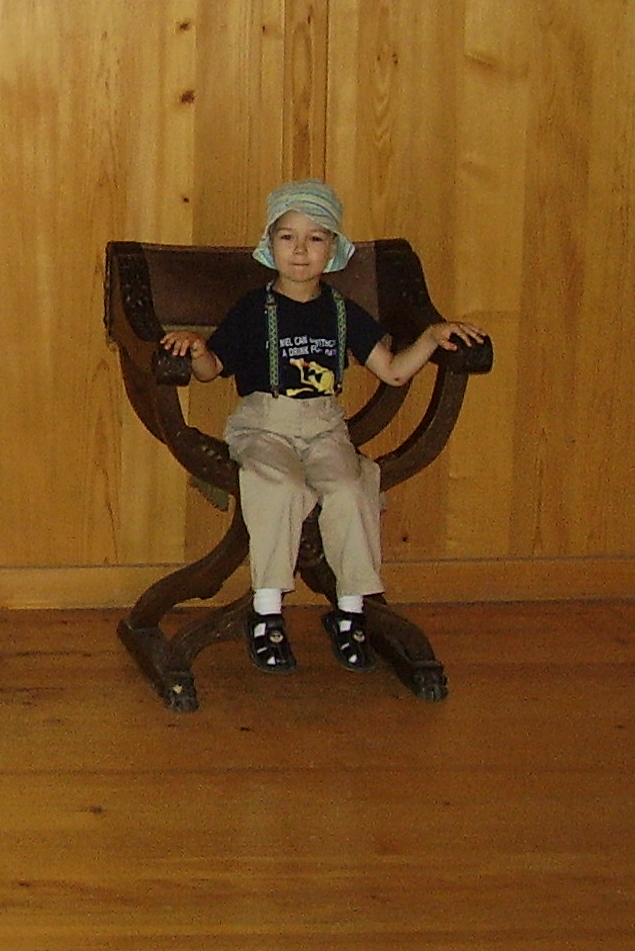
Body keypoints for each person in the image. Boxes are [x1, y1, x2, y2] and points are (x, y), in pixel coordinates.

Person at [160, 180, 486, 673]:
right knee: (279, 486)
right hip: (264, 425)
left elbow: (393, 371)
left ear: (332, 249)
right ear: (270, 245)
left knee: (351, 488)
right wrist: (198, 349)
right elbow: (212, 370)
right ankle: (267, 609)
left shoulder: (341, 310)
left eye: (315, 238)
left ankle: (351, 612)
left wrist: (431, 337)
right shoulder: (253, 309)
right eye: (288, 237)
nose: (300, 250)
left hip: (324, 427)